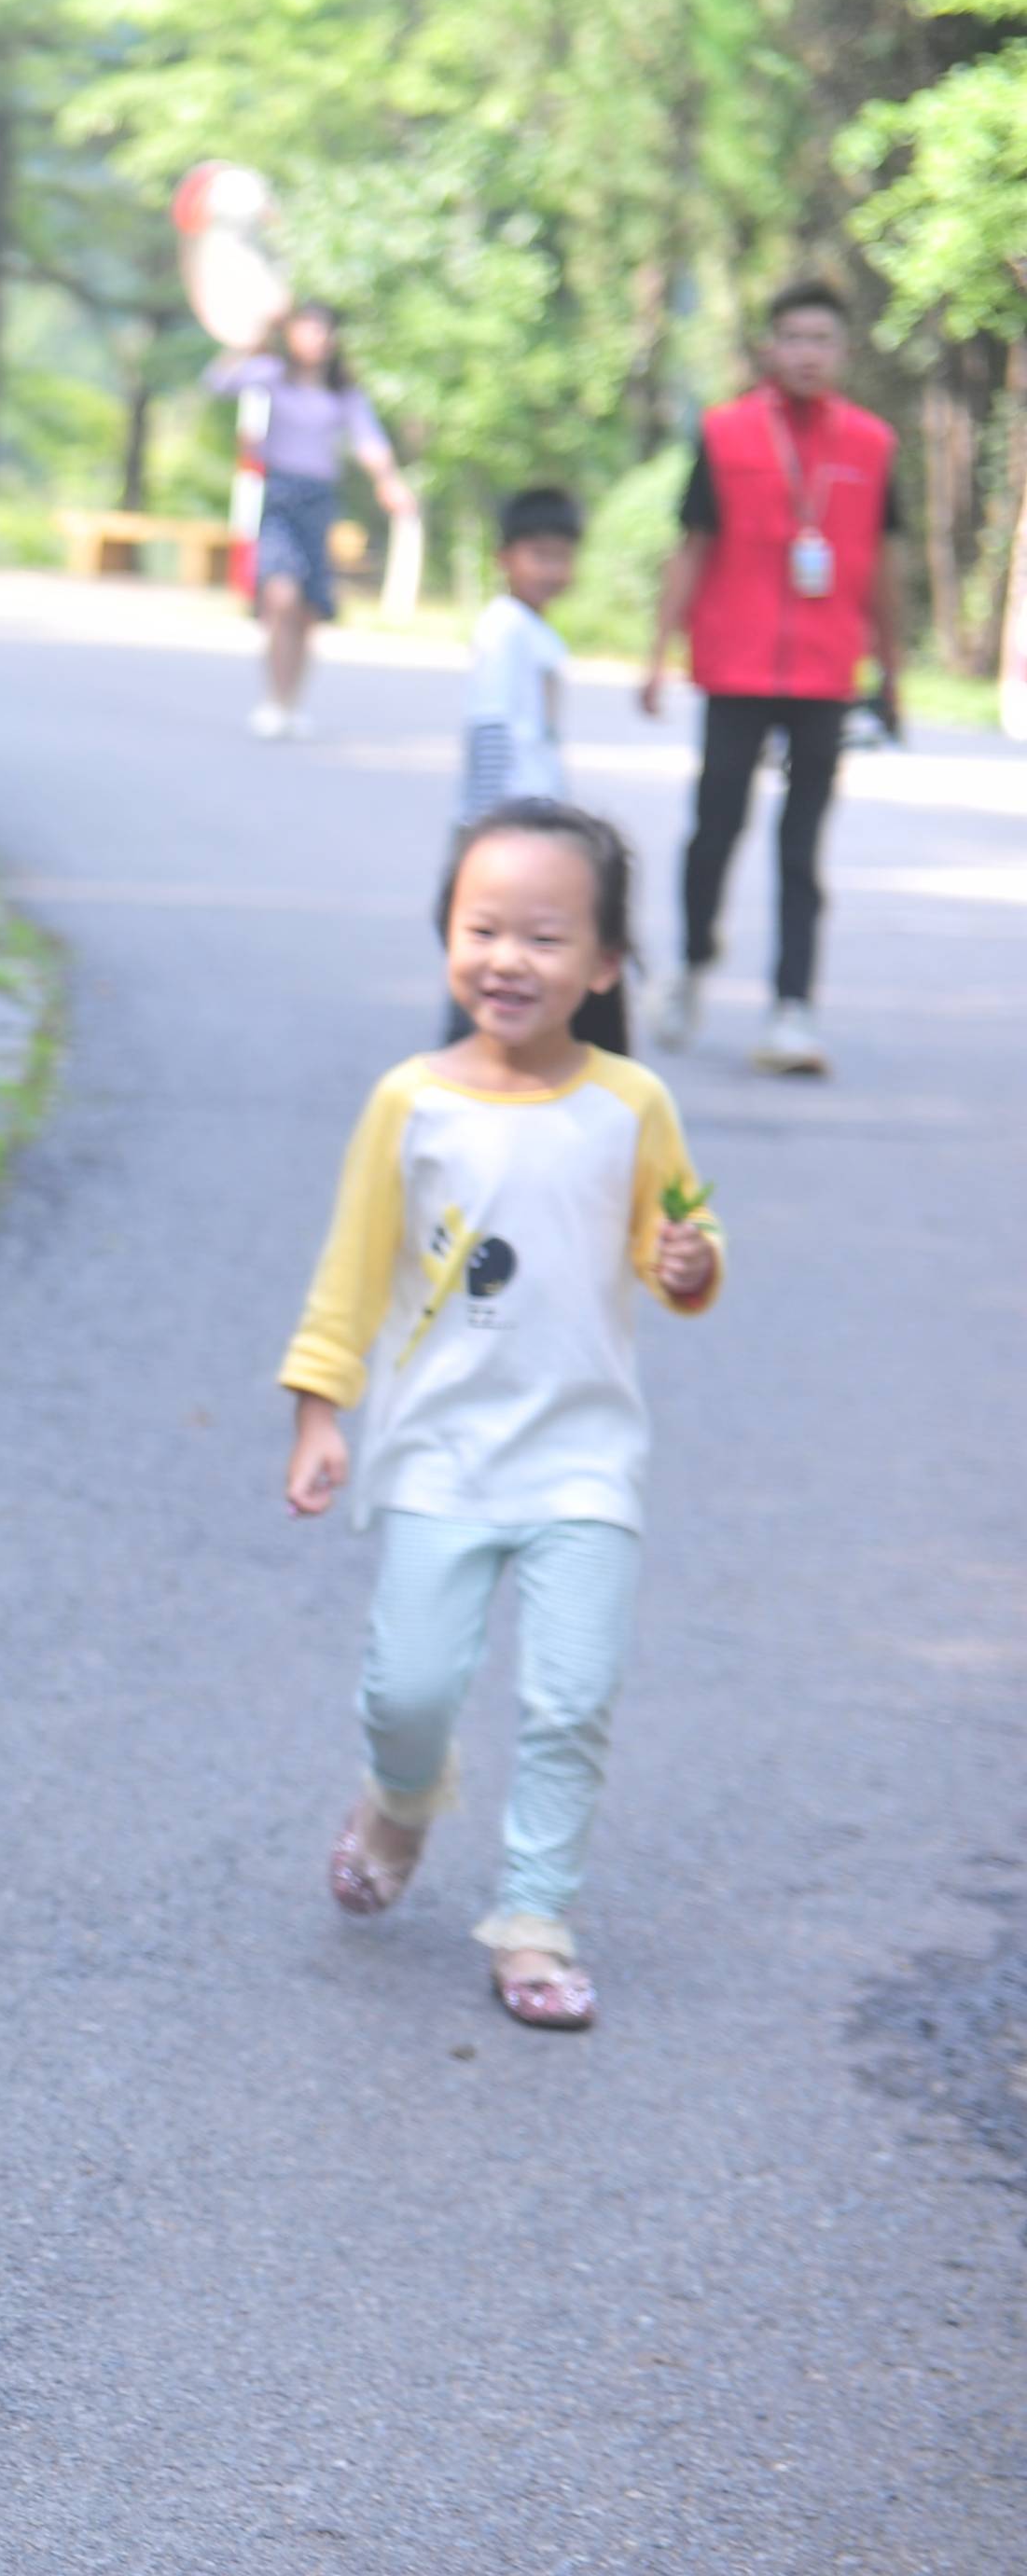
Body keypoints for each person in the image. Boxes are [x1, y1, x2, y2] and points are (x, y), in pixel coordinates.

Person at [279, 802, 724, 2033]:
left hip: (587, 1458)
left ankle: (534, 1918)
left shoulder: (631, 1105)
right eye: (482, 929)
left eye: (544, 935)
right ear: (446, 941)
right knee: (408, 1692)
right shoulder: (408, 1102)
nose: (508, 958)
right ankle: (404, 1798)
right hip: (439, 1456)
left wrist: (690, 1261)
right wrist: (321, 1409)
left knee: (571, 1698)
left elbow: (680, 1236)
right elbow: (351, 1272)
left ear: (606, 965)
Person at [639, 280, 904, 1080]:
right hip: (737, 664)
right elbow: (690, 548)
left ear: (843, 351)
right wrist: (657, 652)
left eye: (821, 338)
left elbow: (887, 566)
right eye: (792, 337)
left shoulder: (872, 445)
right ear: (769, 348)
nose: (807, 353)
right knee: (714, 828)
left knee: (802, 846)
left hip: (826, 673)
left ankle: (793, 1009)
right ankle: (690, 965)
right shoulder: (724, 435)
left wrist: (890, 669)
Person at [207, 303, 418, 740]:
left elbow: (369, 440)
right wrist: (249, 340)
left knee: (306, 610)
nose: (317, 338)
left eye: (324, 330)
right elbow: (218, 382)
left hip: (319, 502)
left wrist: (388, 482)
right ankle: (273, 699)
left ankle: (291, 702)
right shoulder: (270, 375)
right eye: (308, 329)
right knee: (280, 598)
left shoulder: (342, 394)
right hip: (280, 497)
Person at [462, 488, 581, 819]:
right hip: (509, 811)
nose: (552, 571)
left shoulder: (538, 630)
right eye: (540, 556)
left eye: (563, 557)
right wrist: (479, 822)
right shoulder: (503, 628)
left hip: (538, 803)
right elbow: (489, 726)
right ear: (504, 558)